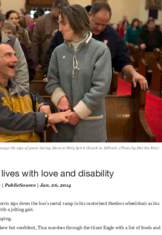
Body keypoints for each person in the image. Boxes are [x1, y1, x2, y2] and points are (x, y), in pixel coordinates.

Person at [0, 43, 71, 142]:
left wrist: (42, 105)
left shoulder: (15, 86)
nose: (16, 60)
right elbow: (7, 122)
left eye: (15, 55)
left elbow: (34, 98)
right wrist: (47, 118)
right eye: (8, 55)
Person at [46, 5, 112, 142]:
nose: (59, 28)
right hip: (63, 127)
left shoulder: (100, 50)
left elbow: (101, 87)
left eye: (63, 23)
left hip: (91, 127)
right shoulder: (58, 51)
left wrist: (78, 113)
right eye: (59, 23)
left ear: (77, 23)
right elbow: (51, 80)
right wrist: (60, 98)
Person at [47, 2, 148, 90]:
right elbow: (52, 56)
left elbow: (123, 60)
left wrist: (134, 73)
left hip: (98, 89)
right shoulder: (70, 30)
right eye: (96, 23)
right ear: (90, 15)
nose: (99, 28)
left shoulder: (113, 36)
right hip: (67, 86)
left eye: (104, 25)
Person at [31, 0, 69, 74]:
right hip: (46, 61)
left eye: (62, 12)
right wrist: (36, 63)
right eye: (58, 11)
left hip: (66, 61)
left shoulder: (70, 21)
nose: (60, 15)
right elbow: (35, 43)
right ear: (53, 9)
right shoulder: (41, 22)